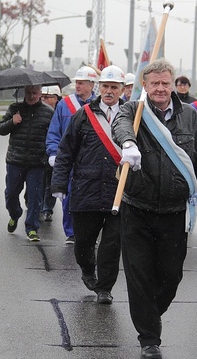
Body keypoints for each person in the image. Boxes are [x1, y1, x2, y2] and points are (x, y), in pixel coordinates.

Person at [111, 59, 197, 359]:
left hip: (174, 213)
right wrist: (129, 143)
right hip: (137, 210)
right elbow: (119, 124)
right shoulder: (133, 110)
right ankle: (149, 338)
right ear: (144, 85)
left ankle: (149, 313)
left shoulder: (190, 117)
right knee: (139, 275)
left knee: (171, 276)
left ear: (173, 85)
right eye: (154, 83)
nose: (160, 88)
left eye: (164, 83)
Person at [51, 65, 126, 305]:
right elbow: (65, 152)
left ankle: (105, 287)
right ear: (98, 87)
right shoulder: (83, 116)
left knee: (112, 244)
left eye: (114, 87)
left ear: (122, 89)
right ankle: (86, 268)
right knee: (83, 242)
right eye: (105, 86)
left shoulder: (131, 117)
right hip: (86, 189)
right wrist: (59, 184)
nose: (109, 91)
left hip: (119, 192)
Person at [46, 65, 98, 244]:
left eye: (82, 83)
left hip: (91, 160)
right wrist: (53, 152)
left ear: (92, 85)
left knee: (91, 198)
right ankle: (71, 232)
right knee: (67, 197)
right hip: (69, 160)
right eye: (77, 82)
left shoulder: (98, 105)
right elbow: (54, 131)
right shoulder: (64, 104)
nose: (78, 86)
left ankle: (90, 231)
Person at [0, 84, 54, 241]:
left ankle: (32, 228)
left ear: (40, 93)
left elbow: (54, 135)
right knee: (11, 193)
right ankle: (15, 214)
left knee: (35, 196)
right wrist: (12, 122)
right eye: (29, 93)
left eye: (35, 93)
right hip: (16, 160)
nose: (31, 96)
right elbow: (0, 129)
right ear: (24, 93)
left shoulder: (48, 112)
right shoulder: (14, 108)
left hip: (37, 163)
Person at [39, 85, 61, 222]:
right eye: (42, 97)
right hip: (39, 152)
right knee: (39, 182)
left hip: (54, 152)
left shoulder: (60, 111)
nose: (44, 100)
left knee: (50, 182)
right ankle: (36, 205)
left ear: (55, 98)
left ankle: (47, 209)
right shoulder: (39, 110)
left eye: (47, 97)